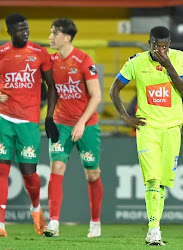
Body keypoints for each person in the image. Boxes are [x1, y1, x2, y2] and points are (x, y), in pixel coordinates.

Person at [110, 26, 183, 245]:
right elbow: (114, 89)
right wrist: (126, 118)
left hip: (172, 128)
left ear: (170, 44)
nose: (161, 50)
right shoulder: (136, 61)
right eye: (157, 46)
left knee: (162, 182)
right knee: (152, 179)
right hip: (147, 128)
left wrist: (168, 66)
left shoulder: (178, 58)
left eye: (165, 46)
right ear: (150, 43)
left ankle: (154, 228)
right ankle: (154, 229)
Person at [43, 18, 103, 238]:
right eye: (50, 33)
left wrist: (81, 123)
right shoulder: (49, 61)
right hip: (61, 123)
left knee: (92, 173)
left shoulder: (84, 60)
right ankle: (54, 223)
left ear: (66, 37)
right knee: (56, 168)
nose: (50, 37)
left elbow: (96, 96)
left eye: (54, 33)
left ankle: (95, 222)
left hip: (86, 125)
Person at [0, 14, 58, 237]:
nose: (25, 32)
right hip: (3, 120)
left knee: (29, 174)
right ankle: (1, 224)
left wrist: (49, 117)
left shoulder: (39, 53)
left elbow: (51, 86)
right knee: (2, 170)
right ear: (9, 32)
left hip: (28, 122)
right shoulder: (1, 54)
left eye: (26, 28)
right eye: (20, 30)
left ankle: (35, 208)